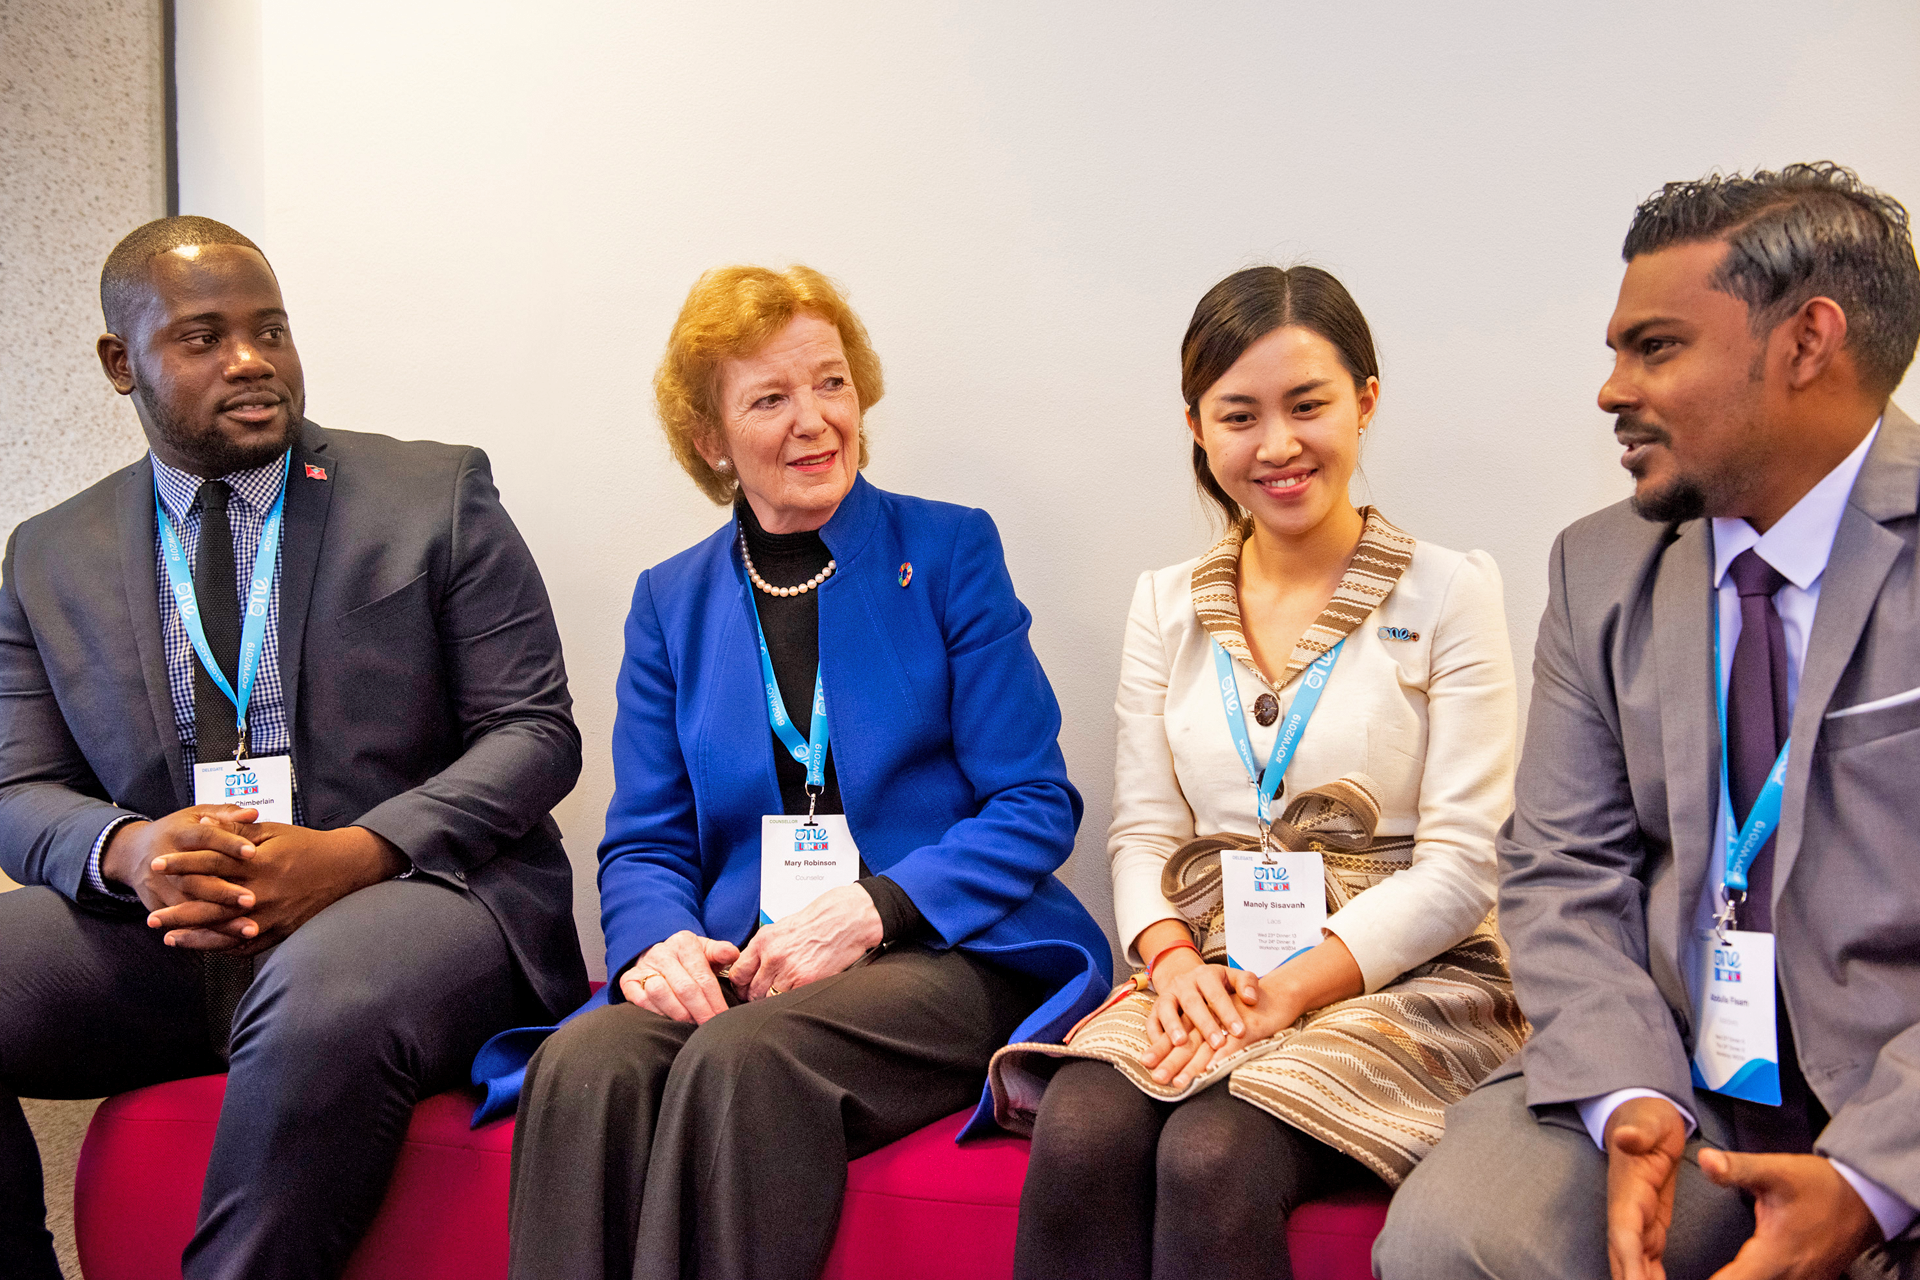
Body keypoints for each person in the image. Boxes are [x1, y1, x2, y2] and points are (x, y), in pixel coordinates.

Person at [488, 263, 1113, 1280]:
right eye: (769, 398)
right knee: (585, 1061)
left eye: (830, 382)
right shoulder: (670, 601)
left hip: (943, 952)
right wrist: (659, 945)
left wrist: (872, 907)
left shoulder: (949, 550)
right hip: (754, 959)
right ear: (711, 438)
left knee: (746, 1056)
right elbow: (646, 838)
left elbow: (1035, 801)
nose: (813, 418)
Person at [0, 216, 588, 1280]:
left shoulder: (433, 494)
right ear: (118, 362)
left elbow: (536, 733)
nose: (251, 361)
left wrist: (355, 852)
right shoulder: (49, 553)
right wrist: (132, 851)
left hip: (416, 903)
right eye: (204, 336)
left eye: (271, 329)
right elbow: (18, 786)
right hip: (173, 931)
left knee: (322, 985)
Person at [1376, 163, 1920, 1280]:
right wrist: (1630, 1095)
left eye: (1656, 346)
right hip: (1679, 1067)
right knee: (1457, 1240)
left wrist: (1875, 1177)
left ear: (1807, 342)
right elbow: (1562, 864)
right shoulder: (1601, 562)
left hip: (1898, 1081)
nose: (1611, 388)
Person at [1003, 266, 1523, 1280]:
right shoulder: (1166, 603)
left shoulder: (1450, 590)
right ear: (1198, 426)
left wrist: (1288, 988)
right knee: (1079, 1128)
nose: (1277, 445)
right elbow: (1144, 833)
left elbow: (1464, 868)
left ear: (1366, 401)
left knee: (1211, 1149)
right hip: (1209, 957)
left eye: (1309, 405)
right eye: (1239, 414)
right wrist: (1177, 964)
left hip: (1407, 974)